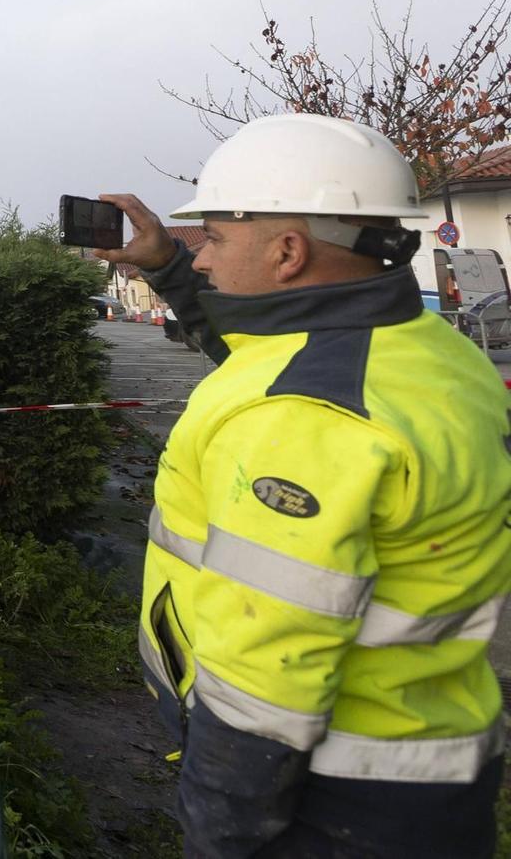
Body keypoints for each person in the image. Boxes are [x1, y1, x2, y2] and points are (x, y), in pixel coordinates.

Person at [94, 113, 511, 858]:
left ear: (288, 251)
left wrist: (219, 832)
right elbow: (255, 342)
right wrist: (164, 267)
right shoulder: (426, 351)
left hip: (327, 798)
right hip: (429, 760)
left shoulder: (310, 416)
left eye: (215, 238)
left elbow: (265, 682)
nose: (206, 258)